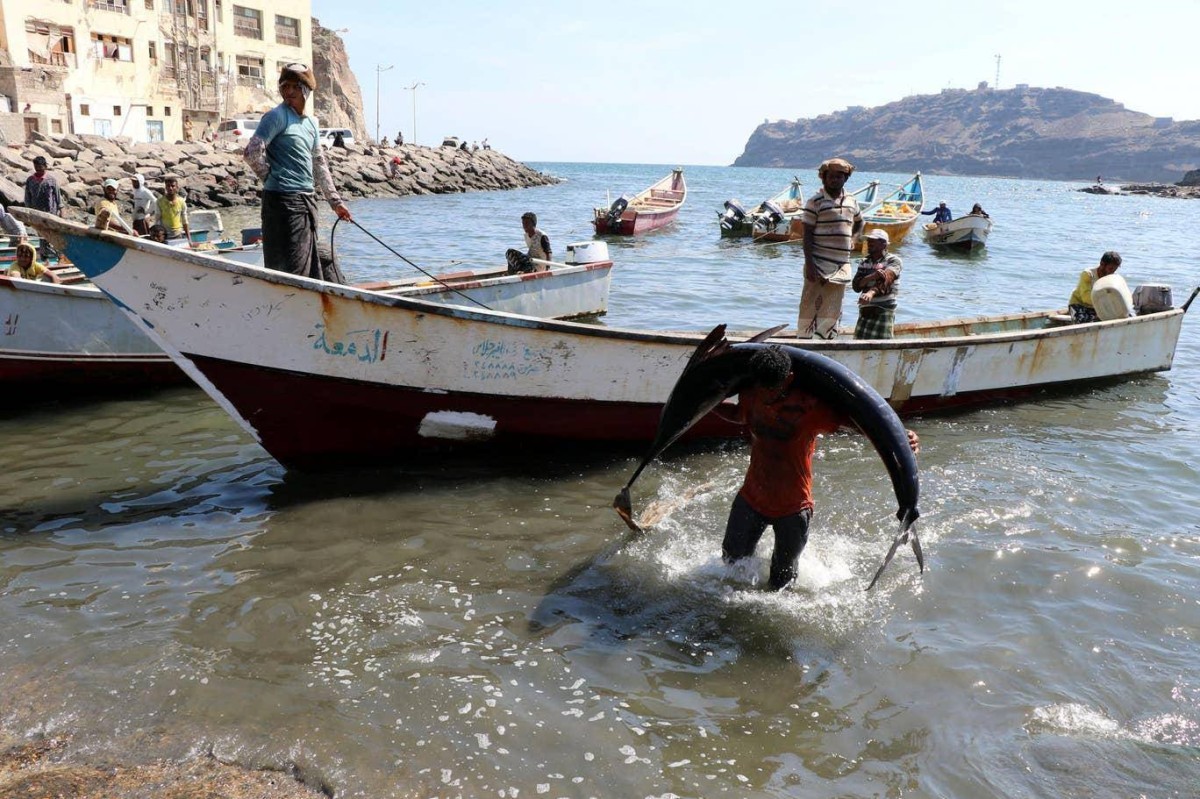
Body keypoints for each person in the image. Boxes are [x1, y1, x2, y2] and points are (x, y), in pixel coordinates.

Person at [718, 346, 920, 590]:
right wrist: (707, 405)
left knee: (781, 585)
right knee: (730, 567)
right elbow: (741, 414)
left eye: (773, 390)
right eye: (761, 390)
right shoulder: (752, 395)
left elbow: (862, 424)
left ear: (789, 379)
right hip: (750, 499)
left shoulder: (810, 407)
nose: (766, 397)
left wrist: (902, 438)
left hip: (793, 509)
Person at [243, 63, 352, 282]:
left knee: (310, 262)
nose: (289, 92)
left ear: (306, 90)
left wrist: (335, 202)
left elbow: (319, 164)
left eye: (295, 86)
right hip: (282, 202)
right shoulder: (276, 116)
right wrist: (272, 178)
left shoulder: (311, 123)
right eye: (285, 87)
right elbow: (252, 152)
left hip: (307, 201)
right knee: (291, 267)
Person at [799, 157, 863, 339]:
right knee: (810, 303)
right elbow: (807, 235)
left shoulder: (852, 201)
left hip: (841, 265)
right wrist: (809, 264)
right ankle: (805, 339)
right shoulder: (815, 202)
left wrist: (853, 238)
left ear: (845, 179)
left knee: (834, 304)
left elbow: (860, 222)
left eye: (839, 176)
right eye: (831, 177)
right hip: (817, 263)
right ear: (824, 178)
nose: (835, 180)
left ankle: (827, 339)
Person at [852, 229, 902, 339]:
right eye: (868, 241)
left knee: (883, 344)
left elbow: (887, 279)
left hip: (884, 308)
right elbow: (856, 286)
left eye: (873, 241)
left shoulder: (893, 260)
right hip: (866, 309)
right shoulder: (864, 262)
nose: (869, 244)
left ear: (883, 244)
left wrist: (871, 292)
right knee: (859, 342)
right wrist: (873, 276)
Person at [1067, 251, 1122, 323]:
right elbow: (1085, 298)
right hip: (1078, 304)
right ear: (1102, 264)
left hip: (1096, 307)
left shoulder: (1111, 278)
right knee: (1084, 322)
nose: (1112, 272)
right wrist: (1104, 305)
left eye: (1114, 270)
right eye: (1110, 269)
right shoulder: (1088, 274)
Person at [155, 176, 191, 243]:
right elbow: (157, 220)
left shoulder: (181, 202)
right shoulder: (160, 202)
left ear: (177, 187)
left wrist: (189, 240)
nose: (170, 188)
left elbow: (185, 221)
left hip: (178, 235)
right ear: (166, 187)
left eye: (173, 186)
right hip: (165, 235)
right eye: (168, 186)